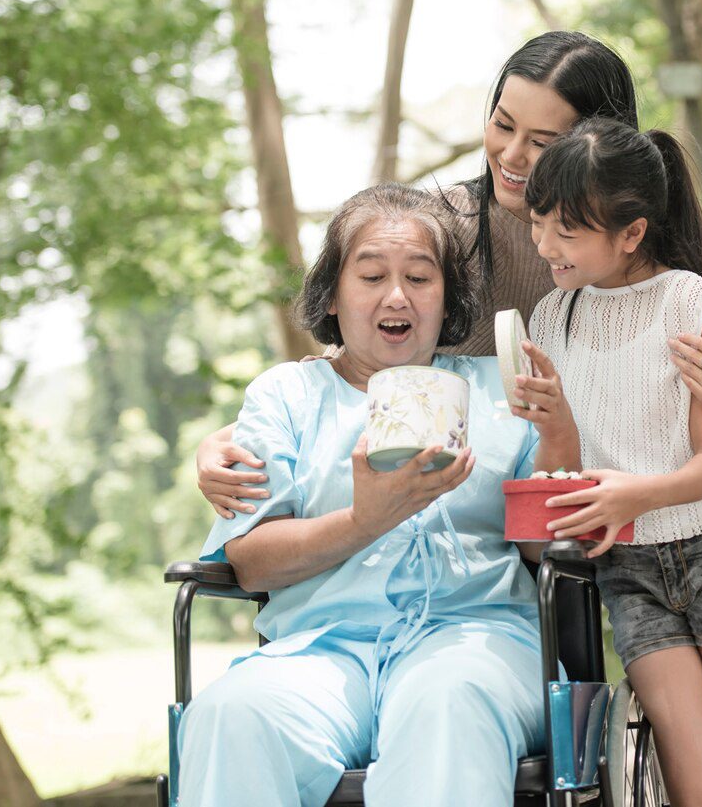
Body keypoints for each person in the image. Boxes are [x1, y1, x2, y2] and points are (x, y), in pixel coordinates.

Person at [196, 31, 702, 518]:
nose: (512, 156)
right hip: (472, 503)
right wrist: (225, 442)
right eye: (502, 125)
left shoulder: (639, 267)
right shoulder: (445, 230)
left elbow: (684, 426)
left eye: (543, 142)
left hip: (610, 515)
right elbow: (368, 359)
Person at [176, 184, 580, 807]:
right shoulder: (285, 397)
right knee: (232, 713)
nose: (397, 296)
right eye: (371, 276)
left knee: (447, 700)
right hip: (322, 649)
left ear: (447, 300)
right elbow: (250, 559)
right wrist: (365, 520)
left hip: (476, 636)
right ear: (333, 297)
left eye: (420, 277)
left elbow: (540, 547)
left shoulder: (501, 390)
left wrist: (555, 435)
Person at [522, 116, 702, 807]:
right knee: (696, 784)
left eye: (567, 229)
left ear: (631, 233)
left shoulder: (686, 301)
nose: (545, 243)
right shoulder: (549, 318)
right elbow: (555, 460)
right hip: (630, 572)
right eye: (539, 223)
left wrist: (632, 494)